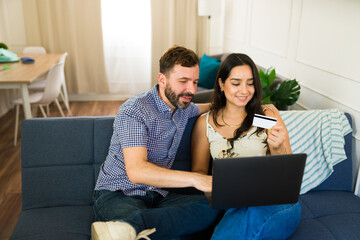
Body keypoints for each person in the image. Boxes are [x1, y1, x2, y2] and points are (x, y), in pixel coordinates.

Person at [91, 46, 221, 240]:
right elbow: (137, 172)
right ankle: (132, 229)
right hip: (120, 193)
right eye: (183, 81)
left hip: (159, 197)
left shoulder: (184, 107)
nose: (192, 90)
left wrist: (251, 107)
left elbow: (210, 107)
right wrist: (195, 178)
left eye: (195, 82)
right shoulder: (135, 110)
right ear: (162, 80)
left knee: (217, 205)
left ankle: (132, 229)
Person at [191, 53, 301, 239]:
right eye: (236, 83)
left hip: (275, 201)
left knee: (249, 218)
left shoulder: (264, 116)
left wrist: (276, 147)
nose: (244, 90)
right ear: (221, 84)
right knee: (238, 221)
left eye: (250, 83)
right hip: (234, 203)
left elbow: (287, 175)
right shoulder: (205, 123)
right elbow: (199, 173)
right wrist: (215, 194)